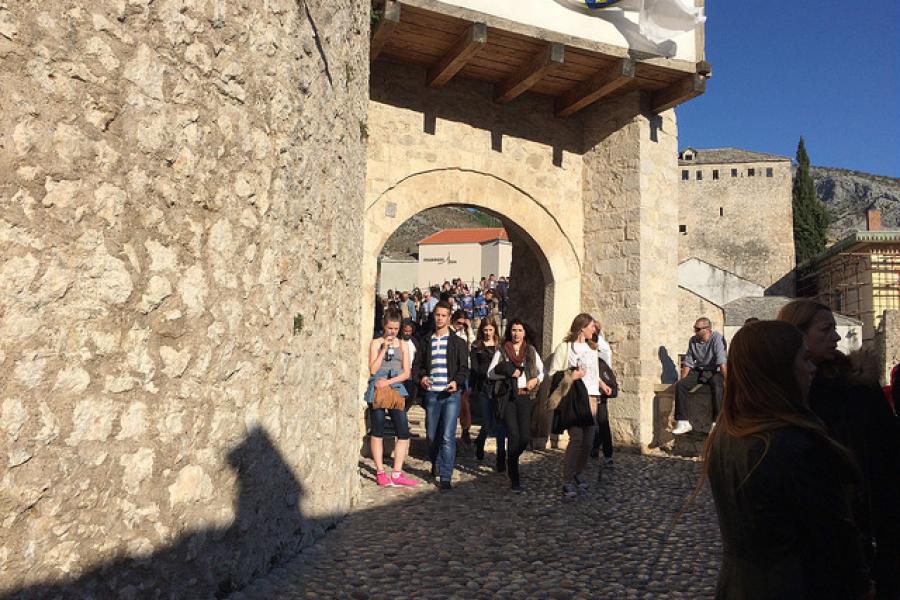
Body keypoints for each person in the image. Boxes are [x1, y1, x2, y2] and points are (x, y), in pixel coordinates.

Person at [702, 320, 872, 599]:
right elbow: (833, 535)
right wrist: (861, 584)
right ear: (779, 369)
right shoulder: (794, 444)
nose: (812, 368)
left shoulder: (726, 434)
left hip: (738, 585)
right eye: (804, 359)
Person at [778, 299, 900, 599]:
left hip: (868, 505)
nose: (836, 337)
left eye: (835, 328)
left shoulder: (857, 384)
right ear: (798, 335)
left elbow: (886, 449)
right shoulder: (788, 394)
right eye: (826, 329)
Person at [548, 313, 612, 499]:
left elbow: (594, 372)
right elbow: (554, 372)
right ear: (582, 327)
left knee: (589, 439)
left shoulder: (593, 348)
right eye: (592, 326)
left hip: (592, 397)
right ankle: (567, 480)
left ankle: (578, 472)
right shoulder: (565, 348)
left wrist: (602, 384)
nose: (595, 330)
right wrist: (571, 376)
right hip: (574, 398)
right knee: (576, 438)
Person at [419, 301, 470, 490]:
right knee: (432, 436)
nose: (439, 318)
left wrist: (456, 381)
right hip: (432, 395)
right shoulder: (426, 341)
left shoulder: (458, 343)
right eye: (437, 315)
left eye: (443, 315)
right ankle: (437, 462)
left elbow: (464, 368)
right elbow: (419, 366)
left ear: (449, 318)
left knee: (448, 436)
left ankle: (446, 476)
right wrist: (422, 377)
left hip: (451, 395)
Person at [488, 319, 544, 491]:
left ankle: (510, 458)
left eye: (519, 330)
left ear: (524, 332)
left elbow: (542, 372)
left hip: (525, 396)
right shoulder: (502, 350)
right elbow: (490, 373)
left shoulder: (531, 351)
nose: (516, 333)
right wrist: (508, 373)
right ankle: (515, 478)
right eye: (513, 330)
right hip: (508, 397)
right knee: (513, 435)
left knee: (525, 437)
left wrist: (535, 380)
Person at [365, 309, 417, 487]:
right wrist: (383, 349)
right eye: (390, 328)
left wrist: (388, 382)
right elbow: (373, 369)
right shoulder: (375, 343)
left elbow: (406, 373)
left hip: (394, 387)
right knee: (377, 430)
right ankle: (380, 471)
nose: (392, 331)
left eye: (396, 328)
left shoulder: (403, 345)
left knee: (403, 432)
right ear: (384, 326)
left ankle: (396, 472)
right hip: (377, 390)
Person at [672, 317, 727, 435]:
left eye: (697, 329)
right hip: (700, 370)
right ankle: (683, 421)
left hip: (715, 370)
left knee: (717, 386)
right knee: (680, 386)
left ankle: (716, 422)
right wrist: (683, 380)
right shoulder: (693, 341)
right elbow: (688, 362)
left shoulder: (717, 338)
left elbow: (722, 362)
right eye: (695, 329)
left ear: (707, 329)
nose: (695, 332)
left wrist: (727, 380)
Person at [470, 318, 504, 464]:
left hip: (498, 386)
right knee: (487, 420)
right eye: (485, 330)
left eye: (490, 330)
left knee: (498, 420)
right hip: (484, 386)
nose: (488, 333)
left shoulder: (500, 345)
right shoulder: (477, 345)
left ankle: (499, 454)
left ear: (495, 330)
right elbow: (475, 368)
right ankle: (481, 440)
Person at [590, 320, 617, 465]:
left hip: (599, 390)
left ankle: (607, 453)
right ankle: (594, 448)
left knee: (602, 421)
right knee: (595, 422)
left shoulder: (602, 347)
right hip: (590, 388)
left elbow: (604, 367)